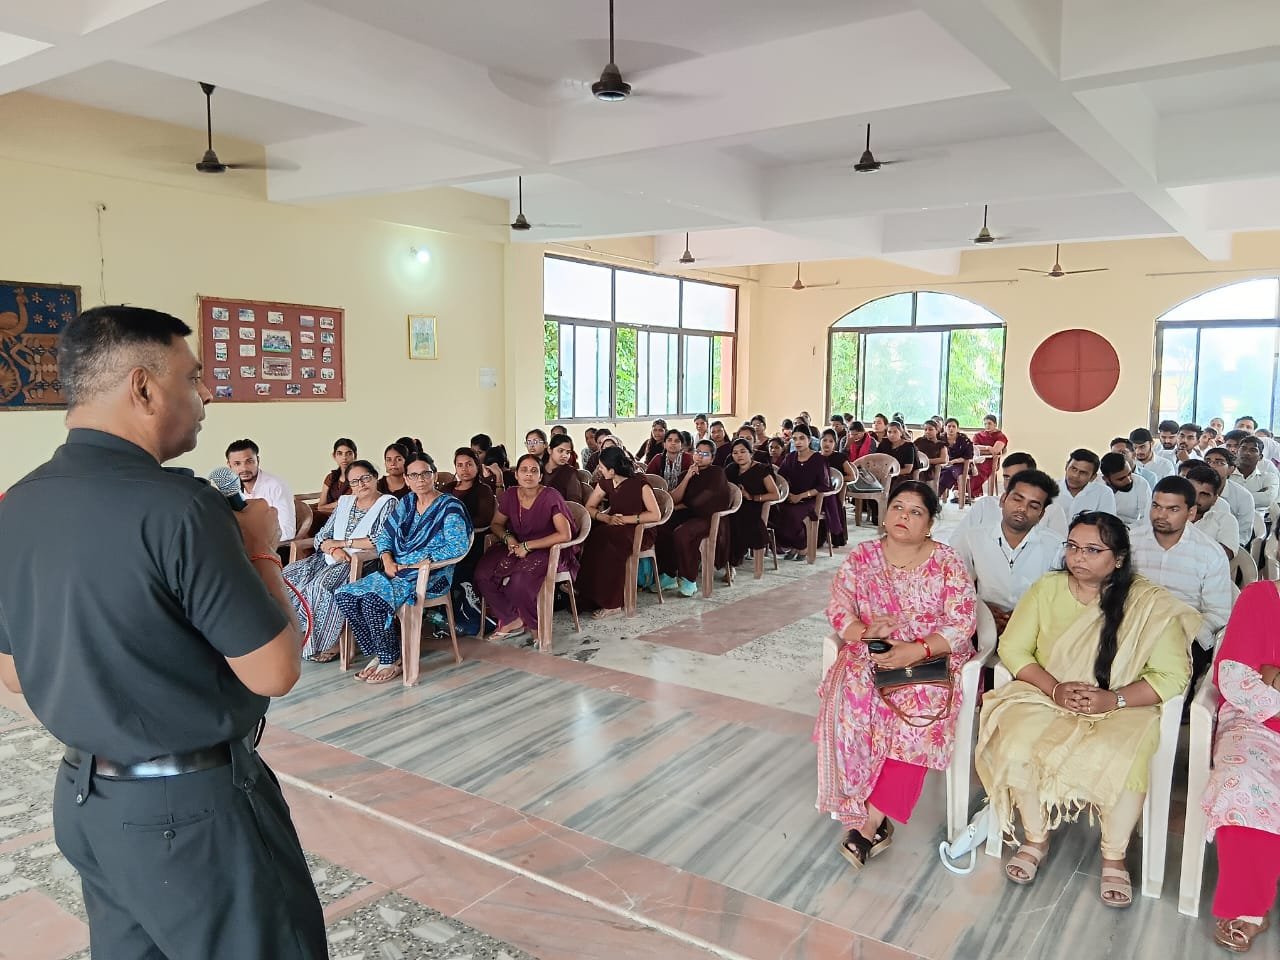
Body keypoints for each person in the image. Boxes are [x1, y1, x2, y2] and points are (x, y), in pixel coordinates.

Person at [0, 305, 326, 957]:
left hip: (86, 799)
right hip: (191, 814)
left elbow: (13, 673)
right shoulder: (183, 506)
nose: (205, 395)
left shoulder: (21, 502)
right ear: (143, 386)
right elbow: (275, 671)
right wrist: (261, 547)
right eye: (193, 376)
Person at [976, 512, 1196, 908]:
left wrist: (1114, 699)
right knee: (1018, 740)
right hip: (1045, 694)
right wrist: (1055, 688)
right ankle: (1036, 837)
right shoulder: (1048, 588)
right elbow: (1013, 648)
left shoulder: (1149, 605)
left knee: (1123, 753)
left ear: (1119, 558)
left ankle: (1113, 855)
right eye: (1073, 547)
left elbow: (1171, 676)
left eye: (1092, 549)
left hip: (1121, 704)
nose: (1078, 557)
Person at [816, 482, 977, 868]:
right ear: (885, 514)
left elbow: (963, 621)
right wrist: (864, 634)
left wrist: (915, 649)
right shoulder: (863, 557)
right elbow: (839, 609)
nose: (903, 516)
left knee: (917, 719)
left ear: (931, 523)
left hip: (931, 658)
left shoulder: (947, 561)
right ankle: (855, 798)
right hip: (872, 652)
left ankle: (871, 822)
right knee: (852, 700)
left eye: (916, 511)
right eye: (898, 507)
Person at [333, 454, 473, 684]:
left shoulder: (450, 507)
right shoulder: (407, 503)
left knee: (372, 601)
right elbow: (385, 536)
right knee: (345, 595)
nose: (420, 479)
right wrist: (387, 559)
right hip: (395, 570)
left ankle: (390, 659)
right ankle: (384, 650)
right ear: (407, 479)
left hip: (431, 575)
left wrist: (418, 561)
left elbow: (457, 547)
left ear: (434, 475)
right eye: (414, 475)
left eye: (426, 473)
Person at [1199, 580, 1280, 953]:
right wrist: (1269, 682)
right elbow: (1236, 675)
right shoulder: (1261, 598)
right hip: (1256, 719)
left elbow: (1267, 672)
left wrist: (1274, 673)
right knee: (1242, 780)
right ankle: (1249, 904)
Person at [1130, 476, 1232, 701]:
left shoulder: (1209, 554)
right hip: (1133, 626)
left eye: (1172, 509)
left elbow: (1218, 614)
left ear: (1191, 513)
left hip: (1185, 633)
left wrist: (1181, 632)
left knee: (1171, 681)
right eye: (1156, 506)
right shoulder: (1131, 542)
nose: (1161, 515)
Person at [284, 459, 396, 662]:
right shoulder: (345, 503)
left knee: (318, 586)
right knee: (287, 577)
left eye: (365, 478)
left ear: (375, 477)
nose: (361, 484)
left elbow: (378, 539)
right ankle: (298, 636)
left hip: (359, 563)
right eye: (355, 482)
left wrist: (341, 542)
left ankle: (327, 642)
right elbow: (322, 536)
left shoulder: (387, 503)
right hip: (331, 557)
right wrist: (334, 548)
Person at [474, 454, 576, 639]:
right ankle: (511, 618)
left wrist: (528, 546)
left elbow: (564, 534)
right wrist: (509, 539)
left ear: (540, 476)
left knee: (520, 581)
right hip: (516, 544)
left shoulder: (550, 496)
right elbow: (497, 524)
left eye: (534, 470)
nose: (528, 475)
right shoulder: (511, 494)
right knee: (483, 574)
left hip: (547, 548)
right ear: (516, 475)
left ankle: (536, 628)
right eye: (524, 470)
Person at [949, 470, 1062, 634]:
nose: (1022, 509)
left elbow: (1058, 596)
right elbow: (956, 587)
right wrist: (983, 610)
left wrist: (1024, 616)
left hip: (1036, 628)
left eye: (1034, 505)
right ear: (1003, 500)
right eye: (1017, 499)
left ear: (1041, 514)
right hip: (981, 624)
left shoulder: (1056, 546)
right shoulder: (972, 538)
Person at [655, 439, 732, 596]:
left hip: (709, 517)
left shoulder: (717, 473)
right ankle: (669, 575)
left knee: (682, 533)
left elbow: (704, 501)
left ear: (712, 458)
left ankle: (689, 580)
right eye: (697, 452)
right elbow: (675, 499)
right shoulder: (686, 472)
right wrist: (688, 477)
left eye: (705, 454)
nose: (699, 456)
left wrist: (684, 505)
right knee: (662, 528)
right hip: (689, 514)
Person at [440, 448, 497, 635]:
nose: (464, 469)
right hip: (444, 542)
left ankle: (466, 618)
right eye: (460, 465)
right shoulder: (447, 489)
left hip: (472, 542)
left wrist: (455, 528)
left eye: (469, 464)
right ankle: (443, 615)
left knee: (458, 571)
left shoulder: (483, 490)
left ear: (477, 466)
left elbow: (484, 519)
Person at [956, 452, 1069, 537]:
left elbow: (1059, 550)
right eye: (1006, 477)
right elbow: (959, 541)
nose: (1010, 483)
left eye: (1017, 477)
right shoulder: (985, 505)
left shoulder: (1052, 510)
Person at [774, 423, 831, 560]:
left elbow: (824, 485)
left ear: (809, 440)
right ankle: (793, 545)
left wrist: (801, 496)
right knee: (775, 511)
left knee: (792, 514)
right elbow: (780, 477)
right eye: (795, 439)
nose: (798, 442)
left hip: (811, 500)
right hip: (791, 497)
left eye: (802, 438)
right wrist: (787, 493)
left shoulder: (818, 459)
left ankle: (802, 546)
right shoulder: (790, 457)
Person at [226, 438, 296, 541]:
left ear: (258, 461)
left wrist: (253, 541)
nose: (244, 469)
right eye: (237, 464)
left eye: (249, 462)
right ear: (229, 465)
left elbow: (287, 532)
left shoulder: (276, 486)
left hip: (275, 550)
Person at [725, 438, 780, 567]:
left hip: (757, 507)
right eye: (735, 453)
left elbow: (775, 494)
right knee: (723, 520)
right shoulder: (730, 469)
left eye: (743, 451)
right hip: (735, 505)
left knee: (737, 521)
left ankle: (734, 562)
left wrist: (752, 497)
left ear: (750, 453)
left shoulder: (761, 469)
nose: (739, 455)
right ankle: (725, 562)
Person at [1178, 461, 1239, 557]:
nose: (1196, 498)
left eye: (1204, 494)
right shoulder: (1171, 515)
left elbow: (1224, 555)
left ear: (1215, 499)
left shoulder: (1225, 520)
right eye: (1192, 491)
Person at [1205, 446, 1257, 546]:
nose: (1211, 466)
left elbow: (1243, 534)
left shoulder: (1243, 496)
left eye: (1219, 462)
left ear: (1231, 469)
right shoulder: (1194, 490)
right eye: (1207, 462)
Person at [313, 437, 358, 530]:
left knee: (314, 516)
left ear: (355, 455)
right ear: (334, 456)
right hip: (326, 514)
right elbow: (321, 506)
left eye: (349, 453)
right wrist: (338, 504)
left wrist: (327, 507)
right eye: (340, 453)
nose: (344, 458)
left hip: (348, 518)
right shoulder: (331, 477)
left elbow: (348, 505)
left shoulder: (359, 478)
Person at [1058, 449, 1116, 518]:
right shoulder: (1048, 489)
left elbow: (1107, 524)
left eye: (1083, 472)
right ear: (1066, 466)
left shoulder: (1104, 493)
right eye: (1073, 469)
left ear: (1093, 477)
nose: (1075, 476)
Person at [1099, 451, 1151, 527]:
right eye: (1121, 479)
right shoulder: (1095, 486)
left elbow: (1147, 517)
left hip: (1132, 530)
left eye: (1129, 474)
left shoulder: (1141, 483)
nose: (1128, 480)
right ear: (1106, 479)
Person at [1228, 434, 1279, 509]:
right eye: (1243, 448)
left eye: (1253, 450)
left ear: (1260, 457)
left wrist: (1232, 497)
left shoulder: (1268, 477)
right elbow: (1218, 498)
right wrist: (1257, 495)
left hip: (1259, 519)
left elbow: (1268, 499)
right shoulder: (1226, 475)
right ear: (1237, 452)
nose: (1247, 453)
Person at [970, 414, 1009, 500]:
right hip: (976, 459)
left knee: (978, 469)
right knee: (968, 467)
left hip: (991, 461)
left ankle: (968, 493)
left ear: (995, 424)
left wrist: (981, 449)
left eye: (989, 423)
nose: (987, 426)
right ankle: (961, 492)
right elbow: (973, 448)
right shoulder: (978, 435)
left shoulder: (1000, 436)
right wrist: (987, 448)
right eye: (985, 424)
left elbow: (995, 450)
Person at [936, 418, 975, 501]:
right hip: (944, 464)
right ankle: (934, 498)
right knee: (943, 474)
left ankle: (936, 498)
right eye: (949, 426)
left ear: (957, 428)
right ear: (945, 427)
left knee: (954, 471)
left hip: (962, 464)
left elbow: (969, 456)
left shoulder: (964, 439)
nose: (951, 428)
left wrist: (953, 461)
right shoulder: (940, 438)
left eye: (954, 426)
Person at [544, 434, 588, 504]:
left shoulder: (570, 473)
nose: (565, 456)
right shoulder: (539, 468)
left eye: (568, 452)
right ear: (550, 450)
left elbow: (575, 503)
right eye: (560, 451)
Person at [913, 420, 948, 485]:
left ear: (937, 431)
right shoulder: (919, 441)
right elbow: (912, 453)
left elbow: (943, 459)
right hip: (917, 465)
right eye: (925, 430)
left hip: (931, 468)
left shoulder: (941, 444)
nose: (927, 432)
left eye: (930, 429)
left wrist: (926, 461)